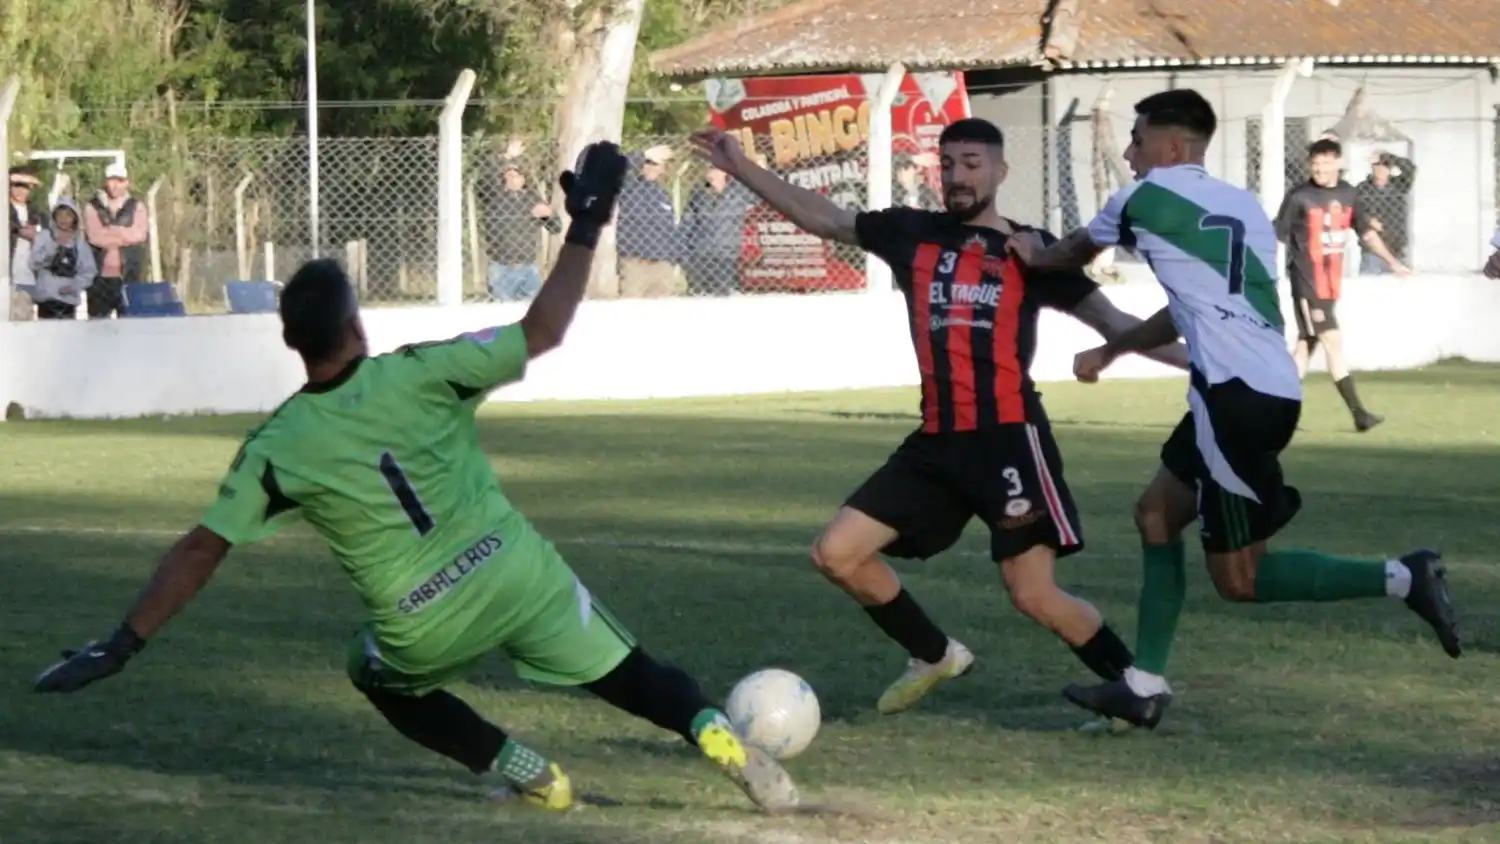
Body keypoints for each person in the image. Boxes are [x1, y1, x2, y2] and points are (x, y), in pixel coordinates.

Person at [31, 143, 799, 815]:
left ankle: (532, 773)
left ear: (291, 343)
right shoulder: (424, 371)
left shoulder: (278, 446)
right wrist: (587, 224)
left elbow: (201, 549)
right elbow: (545, 330)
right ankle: (711, 733)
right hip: (514, 571)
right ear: (357, 327)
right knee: (634, 673)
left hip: (421, 620)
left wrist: (122, 643)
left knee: (372, 671)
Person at [691, 119, 1192, 718]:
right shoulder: (911, 233)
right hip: (935, 443)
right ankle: (934, 654)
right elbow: (822, 218)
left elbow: (1117, 326)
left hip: (1007, 439)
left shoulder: (1032, 250)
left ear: (1001, 172)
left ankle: (1137, 687)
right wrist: (740, 165)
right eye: (949, 163)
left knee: (1032, 594)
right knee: (837, 553)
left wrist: (1210, 362)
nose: (958, 176)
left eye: (973, 163)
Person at [1008, 89, 1461, 732]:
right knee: (1156, 514)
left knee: (1241, 579)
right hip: (1253, 391)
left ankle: (1403, 577)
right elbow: (1190, 305)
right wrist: (1112, 350)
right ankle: (1143, 685)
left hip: (1234, 402)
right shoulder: (1242, 207)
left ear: (1170, 147)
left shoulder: (1139, 199)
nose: (1130, 153)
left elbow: (1067, 254)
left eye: (1136, 140)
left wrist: (1029, 251)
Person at [1277, 139, 1407, 433]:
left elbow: (1366, 233)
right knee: (1332, 341)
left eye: (1325, 163)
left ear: (1338, 163)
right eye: (1315, 163)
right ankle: (1359, 414)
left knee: (1304, 346)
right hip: (1307, 282)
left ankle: (1279, 414)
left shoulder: (1349, 194)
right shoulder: (1299, 196)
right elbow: (1278, 236)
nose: (1320, 169)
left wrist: (1393, 262)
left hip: (1330, 284)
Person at [28, 197, 98, 320]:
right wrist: (54, 245)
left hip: (68, 299)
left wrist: (75, 285)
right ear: (54, 216)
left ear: (75, 218)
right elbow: (33, 263)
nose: (64, 219)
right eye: (60, 215)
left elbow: (89, 271)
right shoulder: (44, 237)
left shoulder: (79, 243)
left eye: (68, 215)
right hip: (46, 297)